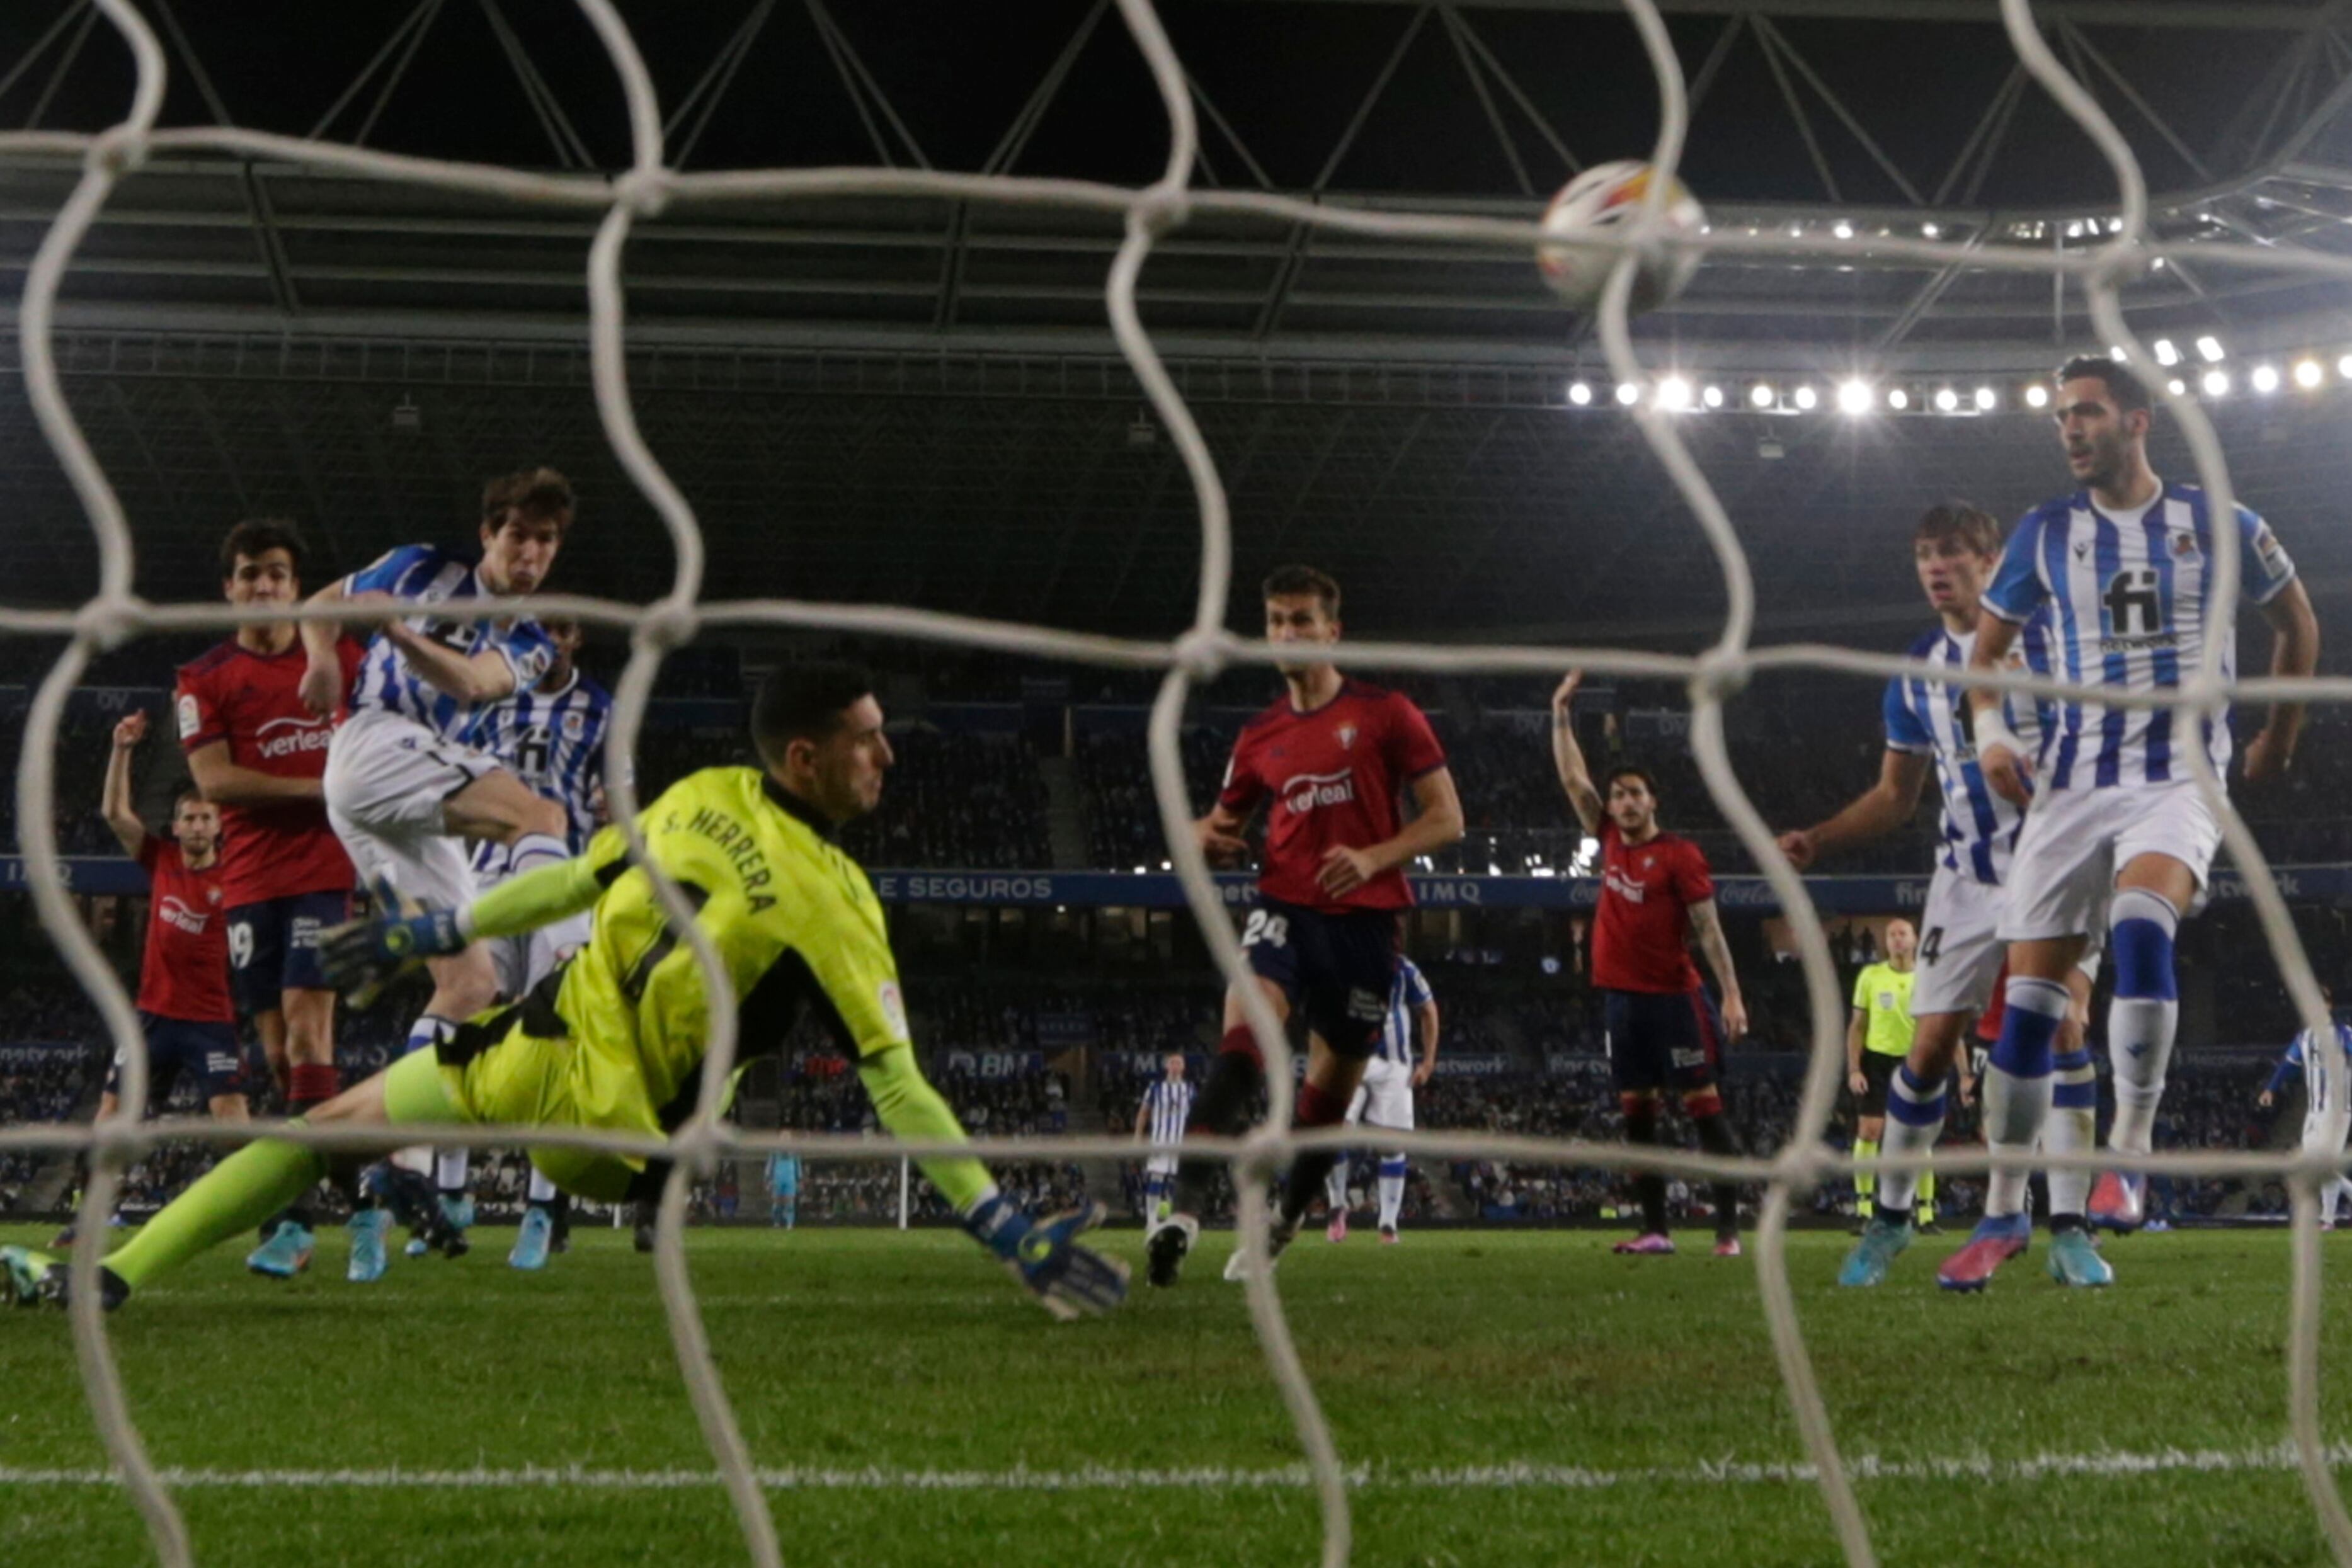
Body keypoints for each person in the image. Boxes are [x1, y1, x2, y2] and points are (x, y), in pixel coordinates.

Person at [1, 664, 1126, 1323]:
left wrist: (439, 927)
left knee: (320, 1135)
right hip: (591, 1111)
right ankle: (105, 1275)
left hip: (557, 1081)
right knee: (324, 1128)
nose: (887, 760)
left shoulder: (699, 797)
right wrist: (1001, 1226)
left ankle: (116, 1272)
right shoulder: (832, 900)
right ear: (804, 757)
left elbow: (574, 882)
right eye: (869, 744)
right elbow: (896, 1084)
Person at [1958, 353, 2318, 1287]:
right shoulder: (2043, 535)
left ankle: (2129, 1145)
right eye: (2060, 419)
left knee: (2138, 922)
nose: (2070, 430)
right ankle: (2001, 1215)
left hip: (2180, 775)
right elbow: (1984, 656)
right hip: (2070, 785)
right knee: (2027, 1014)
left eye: (2085, 413)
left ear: (2136, 420)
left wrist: (2277, 732)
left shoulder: (2218, 524)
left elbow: (2296, 622)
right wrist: (1992, 735)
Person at [1781, 502, 2107, 1290]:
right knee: (1925, 1053)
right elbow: (1895, 797)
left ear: (1991, 561)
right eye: (1924, 553)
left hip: (2056, 866)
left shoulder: (2052, 643)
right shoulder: (1918, 672)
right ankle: (1888, 1223)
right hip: (1963, 882)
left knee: (2062, 1025)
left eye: (1953, 553)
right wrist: (1819, 839)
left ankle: (2066, 1228)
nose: (1935, 567)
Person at [1145, 565, 1464, 1288]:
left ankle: (1282, 1223)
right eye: (1275, 622)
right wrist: (1199, 836)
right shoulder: (1259, 736)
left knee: (1325, 1099)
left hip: (1365, 928)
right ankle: (1181, 1213)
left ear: (1331, 630)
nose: (1286, 633)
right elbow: (1221, 824)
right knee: (1241, 1040)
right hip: (1282, 907)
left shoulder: (1386, 713)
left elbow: (1448, 817)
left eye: (1300, 620)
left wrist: (1374, 857)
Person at [299, 468, 579, 1284]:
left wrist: (393, 634)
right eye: (519, 536)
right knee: (543, 819)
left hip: (393, 794)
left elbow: (473, 681)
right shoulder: (419, 564)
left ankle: (397, 1161)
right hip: (373, 744)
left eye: (547, 542)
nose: (531, 555)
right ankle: (568, 971)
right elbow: (320, 605)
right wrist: (321, 659)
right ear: (490, 532)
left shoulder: (530, 636)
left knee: (471, 982)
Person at [175, 518, 367, 1277]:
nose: (264, 586)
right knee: (282, 1059)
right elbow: (215, 783)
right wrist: (325, 787)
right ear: (230, 588)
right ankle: (368, 1195)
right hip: (249, 880)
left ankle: (293, 1226)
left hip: (325, 870)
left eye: (279, 574)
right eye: (251, 573)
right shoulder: (204, 677)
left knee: (308, 1032)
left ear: (296, 586)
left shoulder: (339, 655)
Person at [1550, 673, 1747, 1258]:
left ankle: (1729, 1230)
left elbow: (1709, 929)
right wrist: (1561, 715)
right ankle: (1656, 1230)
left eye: (1636, 793)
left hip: (1674, 1000)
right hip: (1623, 1002)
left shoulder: (1681, 856)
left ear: (1652, 799)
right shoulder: (1609, 838)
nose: (1626, 802)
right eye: (1619, 795)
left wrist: (1732, 994)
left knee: (1704, 1111)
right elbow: (1573, 779)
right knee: (1638, 1119)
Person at [459, 615, 612, 1272]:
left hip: (562, 887)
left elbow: (618, 796)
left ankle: (543, 1211)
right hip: (488, 879)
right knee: (468, 1028)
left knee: (553, 1038)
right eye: (541, 628)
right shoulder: (489, 695)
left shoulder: (598, 706)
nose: (551, 639)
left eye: (563, 629)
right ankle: (447, 1193)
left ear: (577, 639)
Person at [57, 714, 245, 1242]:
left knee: (233, 1121)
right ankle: (88, 1217)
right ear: (178, 826)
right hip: (153, 1019)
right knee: (112, 1113)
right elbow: (114, 812)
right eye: (190, 818)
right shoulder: (160, 860)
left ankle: (264, 1216)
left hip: (211, 1021)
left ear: (219, 826)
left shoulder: (235, 877)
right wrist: (121, 749)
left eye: (208, 818)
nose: (199, 826)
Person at [1325, 953, 1437, 1244]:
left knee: (1393, 1145)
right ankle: (1337, 1205)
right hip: (1350, 1059)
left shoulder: (1403, 968)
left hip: (1394, 1066)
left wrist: (1428, 1062)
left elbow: (1428, 1009)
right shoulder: (1339, 962)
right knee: (1334, 1131)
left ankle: (1388, 1224)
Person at [1844, 920, 1929, 1232]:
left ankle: (1925, 1213)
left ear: (1915, 939)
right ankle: (1864, 1209)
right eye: (1891, 934)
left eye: (1902, 933)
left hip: (1915, 1060)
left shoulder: (1927, 977)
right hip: (1877, 1061)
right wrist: (1854, 1068)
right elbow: (1857, 1026)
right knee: (1869, 1132)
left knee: (1920, 1136)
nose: (1897, 939)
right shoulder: (1870, 976)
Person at [2258, 988, 2352, 1229]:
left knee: (2324, 1164)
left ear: (2329, 1006)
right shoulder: (2305, 1037)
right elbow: (2287, 1066)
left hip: (2339, 1110)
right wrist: (2271, 1089)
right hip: (2314, 1111)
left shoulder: (2344, 1035)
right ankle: (2328, 1218)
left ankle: (2328, 1220)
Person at [1131, 1053, 1192, 1225]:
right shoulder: (1155, 1088)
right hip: (1159, 1141)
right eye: (1172, 1062)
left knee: (1175, 1182)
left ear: (1183, 1067)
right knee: (1156, 1178)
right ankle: (1151, 1220)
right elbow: (1144, 1112)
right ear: (1166, 1066)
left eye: (1179, 1062)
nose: (1175, 1065)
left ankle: (1171, 1219)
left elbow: (1194, 1115)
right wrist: (1138, 1135)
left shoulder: (1189, 1089)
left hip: (1180, 1143)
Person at [765, 1150, 801, 1229]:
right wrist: (768, 1179)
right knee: (777, 1203)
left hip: (790, 1179)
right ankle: (777, 1222)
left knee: (790, 1202)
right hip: (777, 1179)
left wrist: (799, 1180)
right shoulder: (775, 1152)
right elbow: (770, 1165)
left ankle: (789, 1223)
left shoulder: (794, 1152)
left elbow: (798, 1166)